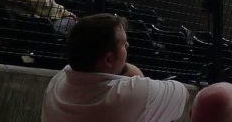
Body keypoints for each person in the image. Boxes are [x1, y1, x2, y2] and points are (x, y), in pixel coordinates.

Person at [41, 13, 189, 122]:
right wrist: (125, 67)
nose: (128, 46)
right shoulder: (129, 94)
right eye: (124, 44)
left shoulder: (56, 82)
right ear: (108, 59)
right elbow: (184, 94)